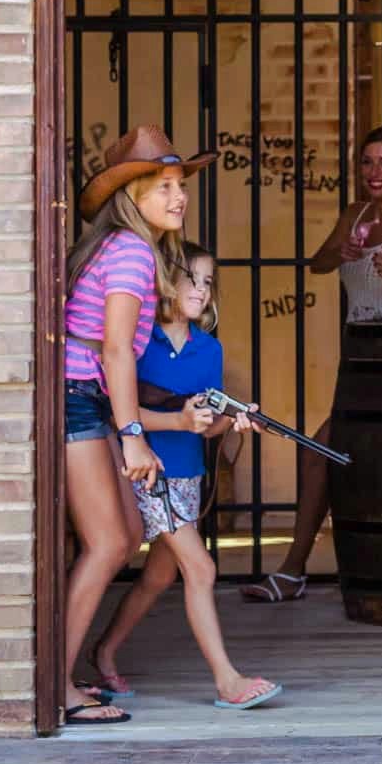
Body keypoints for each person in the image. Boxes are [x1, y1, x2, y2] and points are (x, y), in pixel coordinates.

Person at [241, 125, 382, 603]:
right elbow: (320, 265)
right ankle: (306, 570)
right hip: (357, 362)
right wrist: (341, 250)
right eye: (367, 162)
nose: (374, 172)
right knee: (330, 455)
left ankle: (295, 569)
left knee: (331, 453)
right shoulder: (354, 214)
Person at [84, 243, 283, 711]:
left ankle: (105, 650)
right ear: (164, 284)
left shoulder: (208, 348)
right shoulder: (136, 342)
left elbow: (203, 421)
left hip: (188, 475)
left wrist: (233, 420)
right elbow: (122, 413)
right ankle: (227, 681)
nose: (200, 289)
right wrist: (174, 420)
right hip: (149, 472)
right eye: (191, 278)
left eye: (208, 281)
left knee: (158, 577)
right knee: (201, 568)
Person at [60, 125, 213, 726]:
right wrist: (133, 437)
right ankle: (57, 685)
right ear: (134, 195)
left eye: (181, 186)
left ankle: (64, 674)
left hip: (91, 399)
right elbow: (118, 351)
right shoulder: (128, 251)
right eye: (165, 187)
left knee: (123, 538)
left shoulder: (131, 247)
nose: (179, 197)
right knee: (106, 545)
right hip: (81, 399)